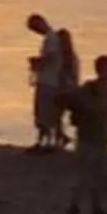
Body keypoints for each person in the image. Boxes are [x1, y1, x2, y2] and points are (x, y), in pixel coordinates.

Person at [66, 54, 107, 214]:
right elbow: (76, 102)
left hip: (101, 137)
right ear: (100, 70)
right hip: (87, 137)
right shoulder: (89, 89)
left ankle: (96, 208)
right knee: (85, 176)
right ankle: (74, 206)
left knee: (97, 176)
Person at [25, 14, 73, 153]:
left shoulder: (51, 39)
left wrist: (38, 62)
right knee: (48, 114)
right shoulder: (53, 38)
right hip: (51, 81)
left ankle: (45, 142)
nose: (37, 31)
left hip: (47, 81)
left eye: (36, 28)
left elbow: (51, 58)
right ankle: (48, 141)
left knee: (43, 113)